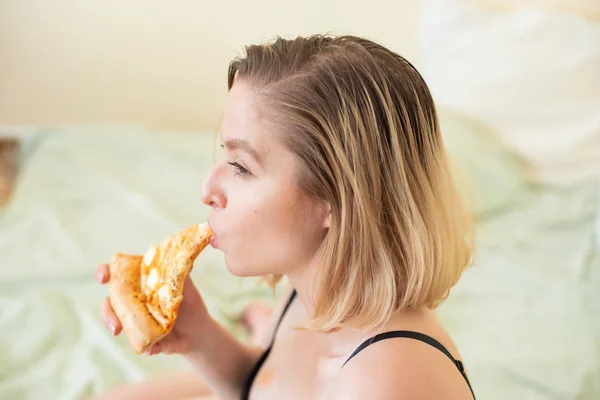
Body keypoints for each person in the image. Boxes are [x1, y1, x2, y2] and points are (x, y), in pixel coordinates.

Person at [93, 34, 476, 399]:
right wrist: (198, 335)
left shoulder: (384, 381)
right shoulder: (313, 284)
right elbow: (266, 388)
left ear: (334, 198)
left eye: (240, 166)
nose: (207, 190)